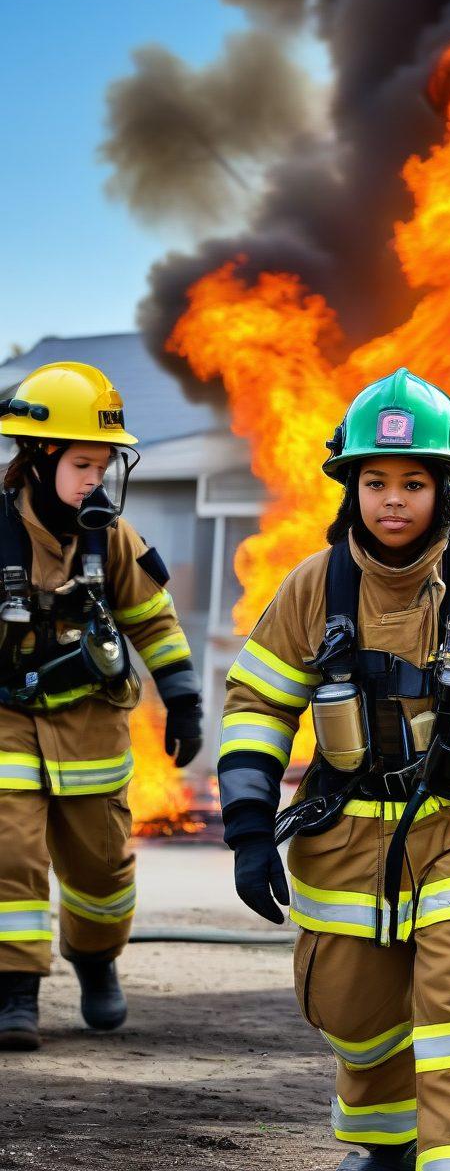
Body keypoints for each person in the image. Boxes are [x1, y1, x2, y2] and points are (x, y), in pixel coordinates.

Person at [220, 367, 450, 1171]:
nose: (394, 499)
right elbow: (257, 708)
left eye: (415, 481)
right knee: (352, 1007)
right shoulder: (310, 590)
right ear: (350, 487)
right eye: (376, 480)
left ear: (448, 487)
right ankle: (385, 1144)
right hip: (350, 827)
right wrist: (249, 831)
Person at [0, 361, 202, 1049]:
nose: (97, 478)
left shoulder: (110, 538)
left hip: (89, 723)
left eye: (106, 463)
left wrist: (183, 697)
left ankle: (95, 962)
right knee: (9, 850)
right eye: (83, 463)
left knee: (100, 865)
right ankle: (14, 992)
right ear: (38, 457)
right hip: (4, 720)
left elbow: (154, 620)